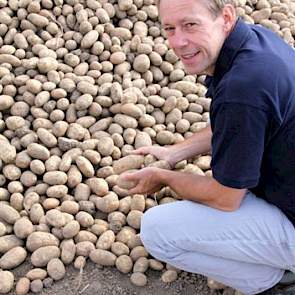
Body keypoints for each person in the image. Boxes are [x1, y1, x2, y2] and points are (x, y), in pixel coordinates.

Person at [121, 0, 295, 294]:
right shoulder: (258, 42)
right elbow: (242, 123)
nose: (178, 42)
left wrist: (165, 178)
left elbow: (225, 198)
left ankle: (277, 282)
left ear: (225, 17)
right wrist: (174, 152)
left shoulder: (242, 89)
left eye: (190, 25)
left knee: (157, 230)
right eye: (169, 29)